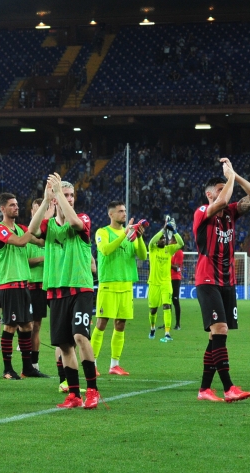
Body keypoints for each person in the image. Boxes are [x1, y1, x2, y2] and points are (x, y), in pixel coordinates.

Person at [193, 159, 250, 402]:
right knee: (219, 329)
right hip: (207, 279)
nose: (226, 193)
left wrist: (235, 174)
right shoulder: (203, 211)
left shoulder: (230, 213)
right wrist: (229, 178)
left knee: (217, 336)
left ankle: (204, 389)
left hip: (226, 281)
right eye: (220, 189)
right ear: (210, 195)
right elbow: (222, 200)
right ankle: (228, 387)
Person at [32, 174, 101, 409]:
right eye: (65, 194)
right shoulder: (49, 225)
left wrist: (59, 194)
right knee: (64, 346)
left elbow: (74, 224)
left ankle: (92, 390)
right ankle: (74, 394)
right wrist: (45, 201)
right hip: (56, 291)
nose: (69, 199)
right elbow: (31, 232)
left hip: (80, 288)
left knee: (80, 336)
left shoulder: (83, 218)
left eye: (71, 195)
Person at [91, 201, 146, 375]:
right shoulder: (102, 232)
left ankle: (114, 365)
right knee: (101, 323)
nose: (124, 213)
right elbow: (106, 250)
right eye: (120, 211)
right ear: (111, 214)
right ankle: (91, 364)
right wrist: (124, 234)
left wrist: (139, 236)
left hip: (126, 284)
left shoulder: (130, 235)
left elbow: (143, 255)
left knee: (120, 324)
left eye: (124, 211)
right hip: (108, 284)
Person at [0, 192, 40, 380]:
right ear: (2, 208)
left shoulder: (21, 228)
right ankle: (7, 369)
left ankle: (27, 367)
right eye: (12, 205)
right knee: (10, 326)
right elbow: (21, 242)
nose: (16, 207)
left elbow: (40, 241)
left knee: (27, 326)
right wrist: (34, 227)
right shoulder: (0, 230)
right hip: (9, 284)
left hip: (23, 284)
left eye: (17, 204)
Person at [147, 216, 183, 342]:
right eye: (161, 239)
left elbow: (181, 243)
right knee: (153, 310)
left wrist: (174, 231)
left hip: (166, 283)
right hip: (153, 284)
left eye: (164, 238)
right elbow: (152, 241)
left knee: (167, 306)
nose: (162, 240)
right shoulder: (152, 249)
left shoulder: (169, 249)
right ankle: (152, 328)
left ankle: (167, 333)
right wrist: (163, 230)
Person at [25, 197, 50, 377]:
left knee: (40, 325)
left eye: (45, 208)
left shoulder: (53, 232)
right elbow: (24, 261)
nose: (41, 212)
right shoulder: (26, 234)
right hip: (33, 285)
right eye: (38, 209)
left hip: (51, 284)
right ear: (33, 212)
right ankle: (31, 364)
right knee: (32, 325)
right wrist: (43, 259)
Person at [170, 238, 183, 330]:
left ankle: (178, 324)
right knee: (167, 302)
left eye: (171, 240)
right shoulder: (170, 252)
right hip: (167, 279)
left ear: (175, 242)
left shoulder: (179, 252)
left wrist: (166, 263)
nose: (169, 242)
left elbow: (177, 267)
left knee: (175, 301)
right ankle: (167, 323)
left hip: (175, 279)